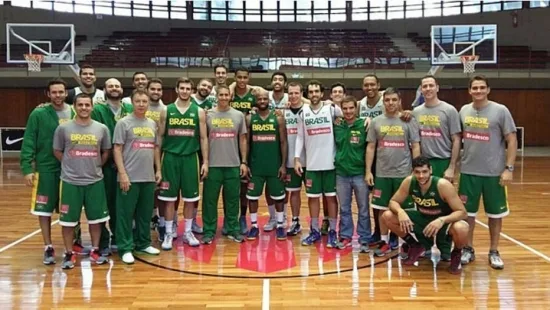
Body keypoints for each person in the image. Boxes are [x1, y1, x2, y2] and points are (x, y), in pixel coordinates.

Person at [458, 75, 517, 270]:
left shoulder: (500, 111)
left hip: (494, 173)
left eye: (482, 88)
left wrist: (508, 168)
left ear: (488, 90)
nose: (478, 91)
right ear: (469, 91)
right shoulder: (464, 111)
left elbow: (512, 139)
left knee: (495, 215)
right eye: (475, 88)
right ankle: (468, 248)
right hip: (468, 172)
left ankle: (494, 251)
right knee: (468, 215)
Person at [381, 156, 469, 274]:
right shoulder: (409, 182)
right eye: (417, 172)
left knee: (462, 227)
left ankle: (457, 253)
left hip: (443, 223)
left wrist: (442, 220)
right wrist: (401, 212)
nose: (421, 176)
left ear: (430, 170)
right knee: (387, 216)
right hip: (423, 218)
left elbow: (462, 212)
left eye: (424, 172)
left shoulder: (443, 185)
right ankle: (415, 245)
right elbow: (393, 202)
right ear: (413, 172)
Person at [53, 93, 111, 269]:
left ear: (92, 107)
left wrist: (95, 165)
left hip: (95, 181)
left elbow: (106, 151)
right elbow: (57, 150)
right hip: (70, 181)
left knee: (96, 219)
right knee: (68, 221)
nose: (84, 108)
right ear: (75, 107)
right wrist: (71, 164)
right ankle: (69, 253)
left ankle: (95, 250)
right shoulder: (63, 128)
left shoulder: (101, 128)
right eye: (80, 105)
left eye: (87, 105)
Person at [20, 79, 74, 265]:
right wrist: (27, 168)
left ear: (66, 93)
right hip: (46, 169)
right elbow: (29, 140)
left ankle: (73, 244)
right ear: (48, 94)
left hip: (71, 170)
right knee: (44, 211)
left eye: (61, 92)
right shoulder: (38, 113)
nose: (58, 95)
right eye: (54, 92)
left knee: (71, 209)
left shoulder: (75, 112)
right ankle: (48, 246)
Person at [366, 87, 421, 256]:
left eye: (394, 100)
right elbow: (371, 147)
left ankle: (405, 242)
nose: (390, 103)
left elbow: (416, 145)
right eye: (387, 100)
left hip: (403, 174)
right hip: (382, 173)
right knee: (382, 209)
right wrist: (368, 171)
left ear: (399, 101)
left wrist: (415, 170)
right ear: (383, 102)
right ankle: (383, 240)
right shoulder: (376, 122)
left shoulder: (408, 120)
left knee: (404, 210)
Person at [412, 75, 461, 260]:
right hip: (424, 162)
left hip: (442, 161)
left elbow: (457, 139)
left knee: (445, 206)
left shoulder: (449, 110)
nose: (428, 89)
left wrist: (451, 167)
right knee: (424, 204)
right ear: (421, 89)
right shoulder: (416, 111)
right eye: (425, 86)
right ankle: (425, 245)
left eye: (431, 85)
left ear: (437, 87)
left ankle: (445, 248)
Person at [157, 78, 209, 250]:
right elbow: (159, 138)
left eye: (188, 88)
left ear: (191, 90)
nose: (185, 91)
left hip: (190, 158)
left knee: (190, 199)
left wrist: (205, 161)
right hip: (170, 158)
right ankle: (169, 233)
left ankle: (187, 231)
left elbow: (203, 137)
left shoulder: (199, 111)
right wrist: (157, 165)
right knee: (169, 199)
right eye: (182, 88)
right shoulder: (167, 110)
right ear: (177, 89)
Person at [113, 90, 162, 264]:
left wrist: (158, 169)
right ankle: (125, 247)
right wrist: (122, 173)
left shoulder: (151, 123)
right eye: (138, 101)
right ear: (132, 103)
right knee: (125, 214)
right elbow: (117, 149)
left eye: (144, 101)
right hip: (129, 177)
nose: (141, 104)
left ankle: (143, 243)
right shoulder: (123, 123)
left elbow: (155, 148)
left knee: (145, 213)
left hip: (147, 177)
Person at [294, 80, 341, 248]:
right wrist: (297, 158)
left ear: (322, 93)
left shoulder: (332, 109)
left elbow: (348, 120)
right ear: (308, 94)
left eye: (317, 91)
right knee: (313, 199)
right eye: (311, 91)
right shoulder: (303, 112)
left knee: (331, 199)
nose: (314, 94)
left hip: (330, 164)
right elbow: (299, 136)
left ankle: (333, 231)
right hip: (312, 164)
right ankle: (314, 230)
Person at [91, 78, 134, 255]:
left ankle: (119, 235)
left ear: (122, 90)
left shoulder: (129, 109)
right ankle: (102, 239)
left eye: (117, 86)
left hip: (126, 165)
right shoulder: (97, 110)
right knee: (103, 203)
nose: (114, 89)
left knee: (121, 204)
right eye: (111, 86)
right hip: (105, 165)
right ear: (104, 90)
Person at [202, 85, 248, 244]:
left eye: (225, 95)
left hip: (233, 164)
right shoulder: (208, 115)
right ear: (216, 97)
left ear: (230, 96)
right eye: (220, 95)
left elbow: (242, 139)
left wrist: (243, 162)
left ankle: (232, 229)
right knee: (209, 200)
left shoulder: (238, 115)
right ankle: (208, 231)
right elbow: (204, 139)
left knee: (233, 200)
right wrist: (205, 162)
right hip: (213, 165)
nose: (223, 97)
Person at [245, 89, 288, 241]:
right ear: (256, 101)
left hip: (274, 165)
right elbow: (247, 143)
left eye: (265, 99)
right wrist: (246, 163)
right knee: (252, 197)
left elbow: (283, 142)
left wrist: (283, 165)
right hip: (256, 166)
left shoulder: (278, 118)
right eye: (260, 99)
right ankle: (254, 226)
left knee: (278, 197)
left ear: (268, 100)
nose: (262, 101)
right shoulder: (250, 118)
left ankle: (281, 224)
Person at [334, 96, 372, 252]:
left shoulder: (364, 124)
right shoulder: (337, 125)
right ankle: (346, 236)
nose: (348, 111)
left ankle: (364, 238)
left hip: (360, 173)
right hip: (341, 173)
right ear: (341, 110)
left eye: (351, 108)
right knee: (344, 208)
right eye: (345, 108)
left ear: (356, 108)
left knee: (363, 208)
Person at [229, 67, 257, 234]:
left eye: (245, 77)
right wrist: (231, 86)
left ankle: (242, 216)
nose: (241, 80)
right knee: (231, 184)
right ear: (235, 78)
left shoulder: (254, 94)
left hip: (249, 142)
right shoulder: (229, 94)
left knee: (245, 185)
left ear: (249, 78)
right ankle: (229, 217)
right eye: (238, 77)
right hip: (231, 141)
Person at [284, 82, 307, 236]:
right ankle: (295, 221)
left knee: (315, 195)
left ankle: (322, 223)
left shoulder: (308, 111)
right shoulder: (283, 113)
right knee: (294, 192)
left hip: (311, 159)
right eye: (290, 93)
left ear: (301, 94)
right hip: (291, 160)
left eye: (296, 93)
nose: (293, 96)